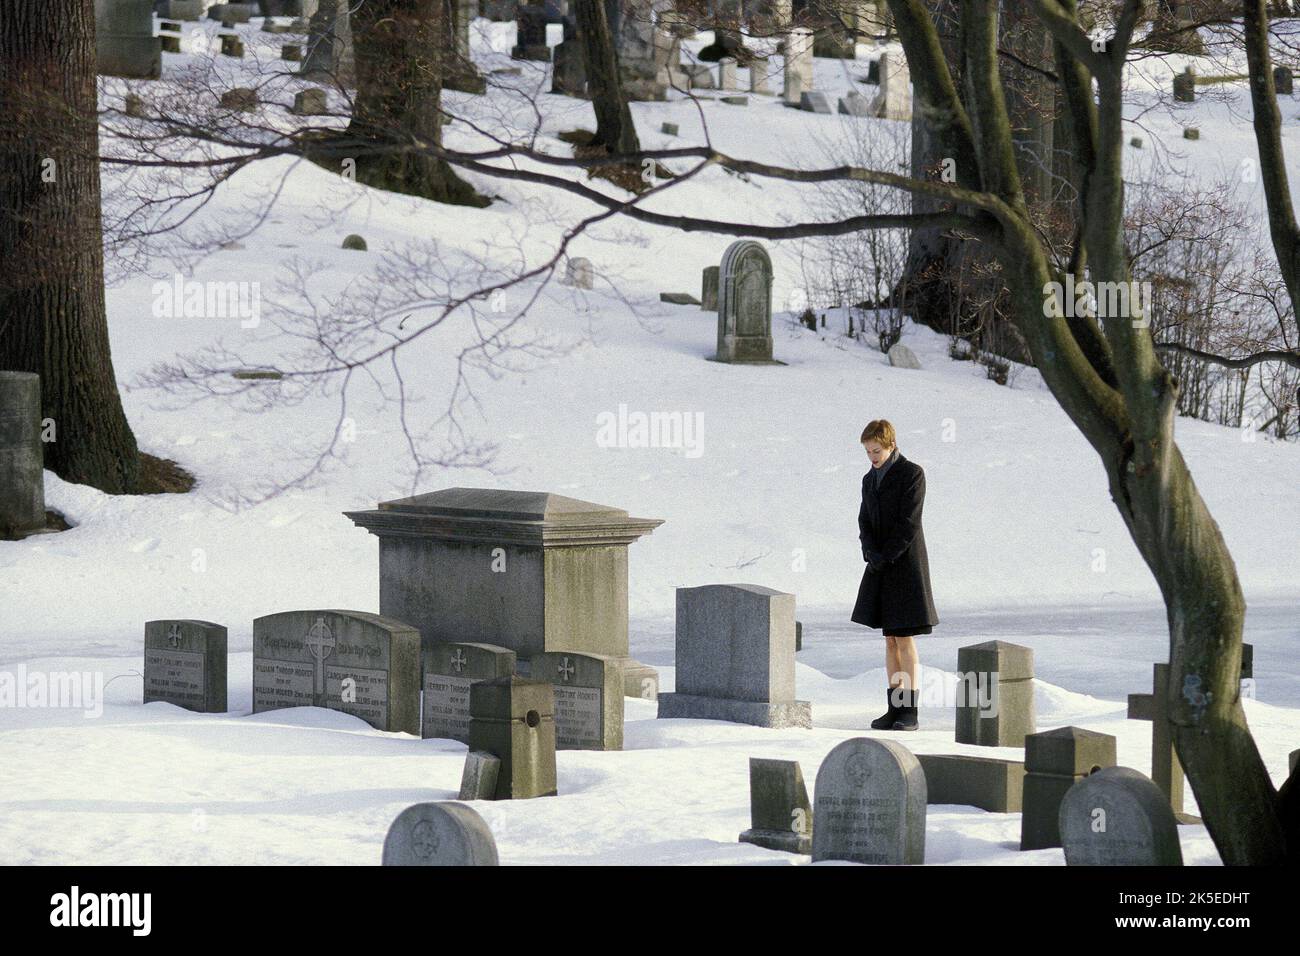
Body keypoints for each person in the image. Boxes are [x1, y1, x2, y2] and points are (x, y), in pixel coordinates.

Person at [852, 419, 939, 731]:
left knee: (904, 638)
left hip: (905, 565)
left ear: (890, 445)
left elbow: (909, 522)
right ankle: (894, 709)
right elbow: (864, 519)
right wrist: (870, 552)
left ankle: (909, 712)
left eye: (876, 450)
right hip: (879, 565)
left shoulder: (911, 473)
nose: (872, 457)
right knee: (889, 639)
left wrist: (886, 555)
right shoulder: (869, 479)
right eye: (868, 452)